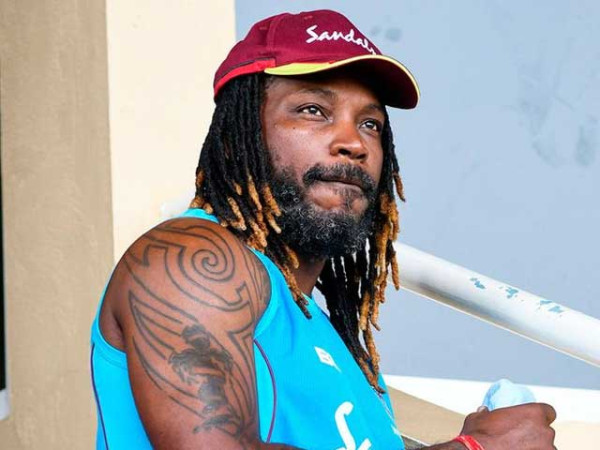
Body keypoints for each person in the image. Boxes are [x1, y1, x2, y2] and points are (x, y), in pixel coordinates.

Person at [90, 9, 557, 450]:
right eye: (313, 110)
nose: (353, 142)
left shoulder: (337, 345)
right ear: (237, 137)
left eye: (370, 123)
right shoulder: (192, 261)